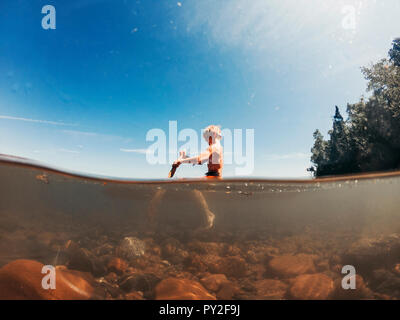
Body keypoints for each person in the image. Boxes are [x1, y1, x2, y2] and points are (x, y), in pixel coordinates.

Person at [148, 125, 223, 230]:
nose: (206, 140)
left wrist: (181, 161)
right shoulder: (216, 147)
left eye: (207, 137)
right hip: (211, 176)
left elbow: (200, 159)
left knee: (186, 184)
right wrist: (184, 158)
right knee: (184, 183)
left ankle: (208, 218)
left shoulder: (214, 148)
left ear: (213, 135)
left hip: (213, 178)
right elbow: (200, 159)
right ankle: (153, 214)